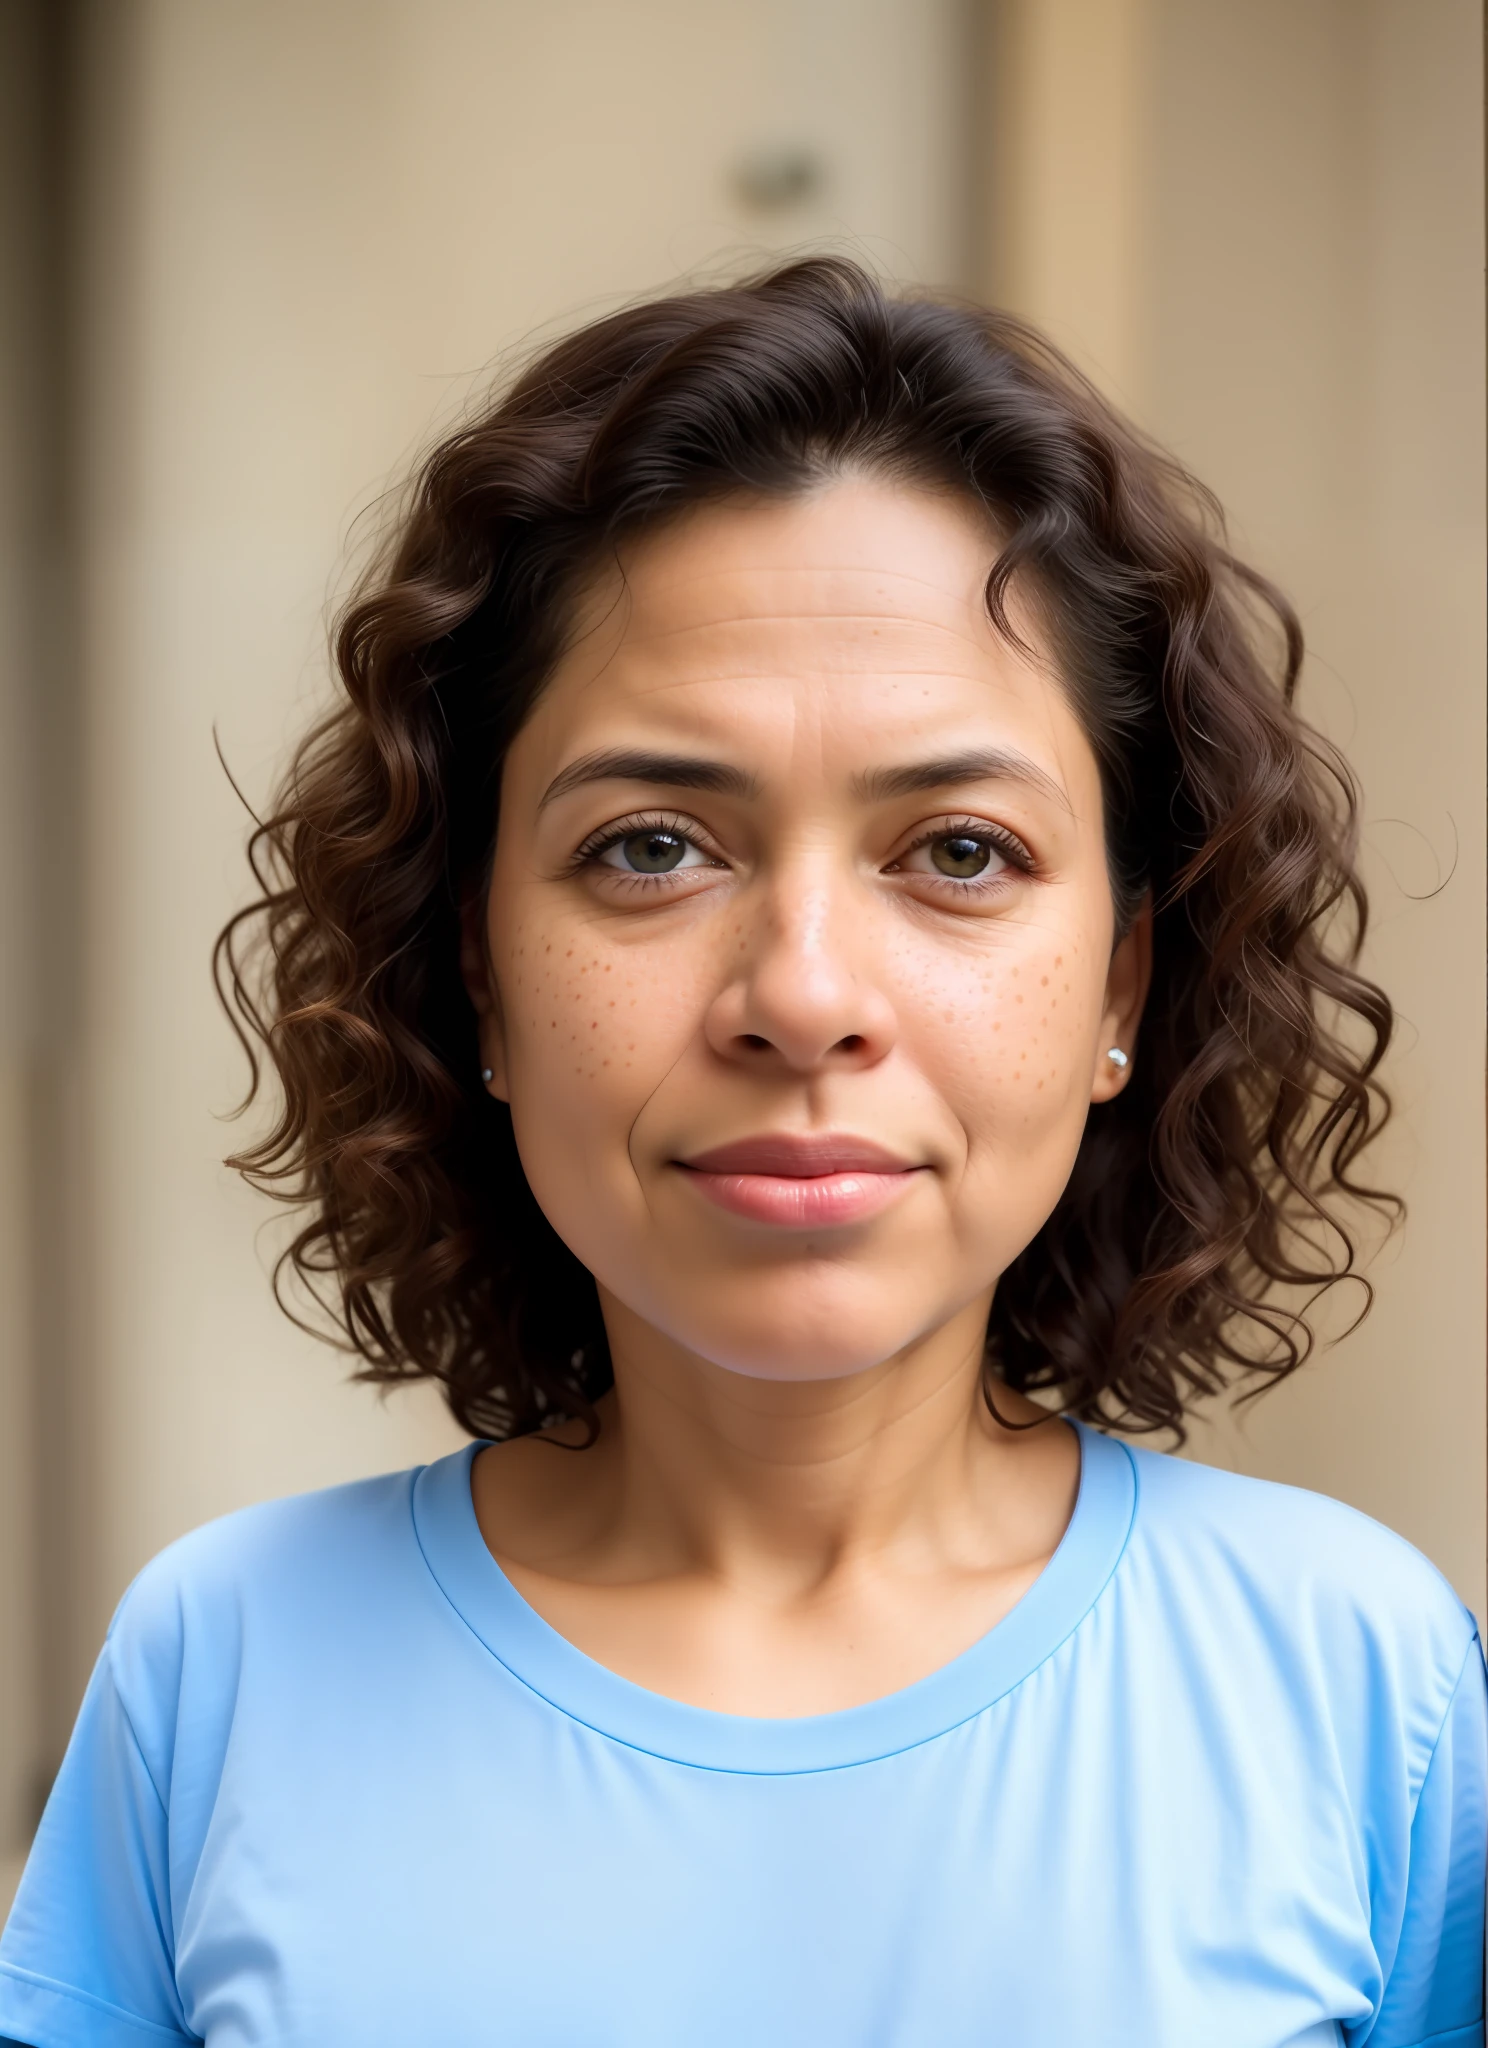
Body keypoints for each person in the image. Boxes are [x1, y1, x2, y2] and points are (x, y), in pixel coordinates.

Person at [1, 258, 1482, 2047]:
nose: (802, 996)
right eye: (648, 848)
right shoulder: (218, 1669)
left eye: (956, 851)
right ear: (473, 963)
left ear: (1125, 979)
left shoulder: (1362, 1684)